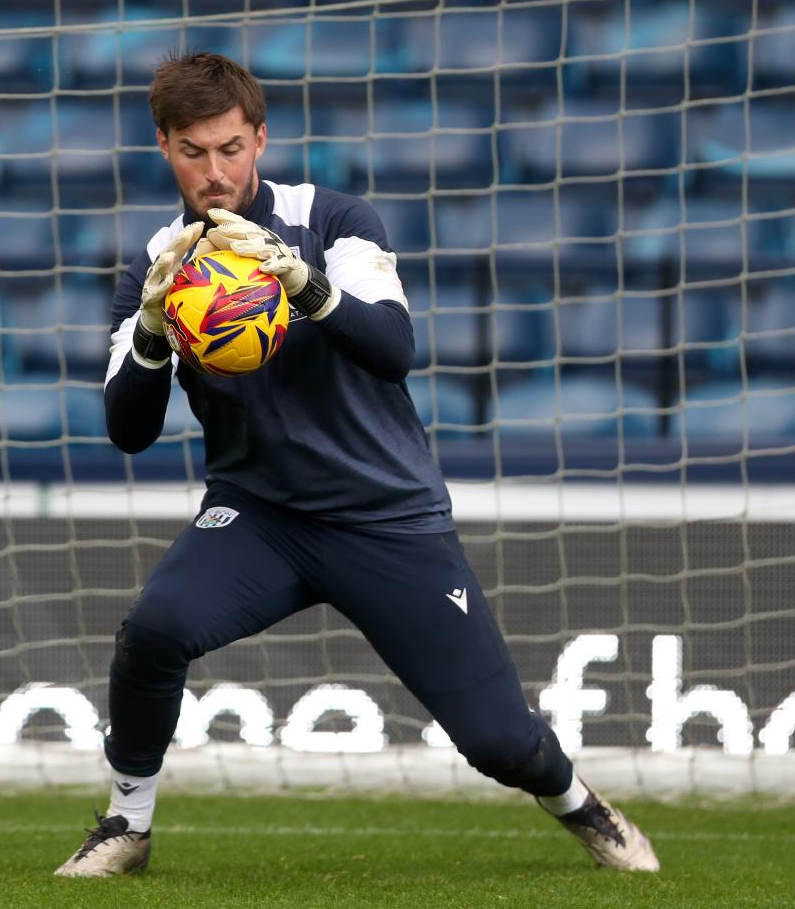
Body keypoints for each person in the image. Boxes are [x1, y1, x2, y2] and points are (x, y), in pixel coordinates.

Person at [54, 52, 658, 878]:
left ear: (259, 138)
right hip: (260, 518)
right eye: (193, 152)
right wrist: (156, 329)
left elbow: (393, 350)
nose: (215, 171)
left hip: (385, 514)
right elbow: (127, 431)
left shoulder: (333, 221)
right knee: (154, 630)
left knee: (495, 740)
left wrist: (303, 286)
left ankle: (581, 805)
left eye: (230, 148)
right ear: (164, 147)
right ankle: (127, 826)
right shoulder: (157, 268)